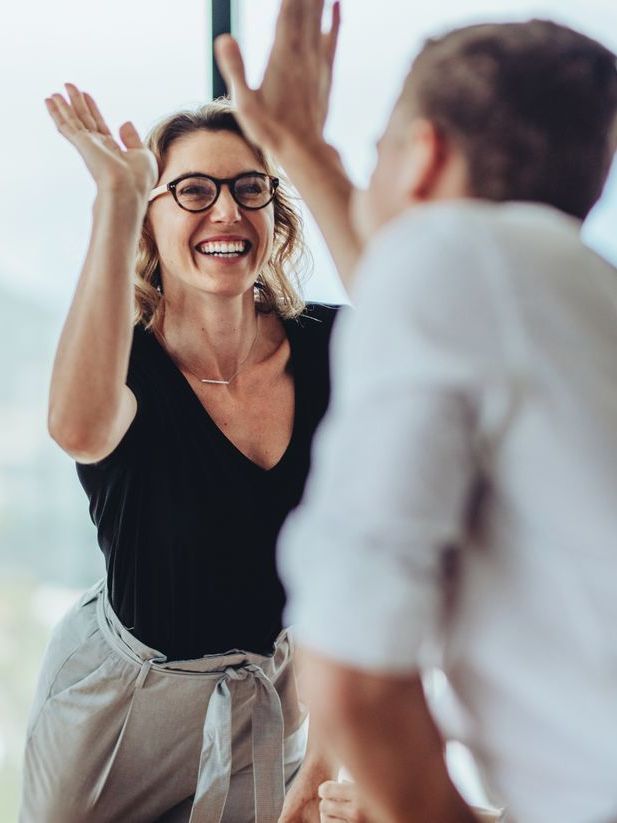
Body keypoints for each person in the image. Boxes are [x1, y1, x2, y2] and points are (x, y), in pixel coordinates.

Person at [216, 4, 617, 822]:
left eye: (375, 157)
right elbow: (422, 288)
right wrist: (304, 148)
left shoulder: (453, 259)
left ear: (425, 156)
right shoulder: (569, 293)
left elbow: (351, 667)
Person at [20, 85, 343, 822]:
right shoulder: (121, 366)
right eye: (193, 190)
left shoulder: (334, 348)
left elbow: (364, 562)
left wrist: (325, 756)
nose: (225, 211)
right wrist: (116, 196)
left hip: (267, 701)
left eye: (247, 188)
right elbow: (77, 429)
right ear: (149, 219)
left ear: (272, 213)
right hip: (117, 713)